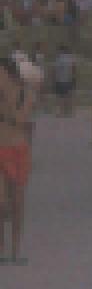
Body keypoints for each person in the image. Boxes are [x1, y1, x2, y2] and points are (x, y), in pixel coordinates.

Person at [0, 57, 35, 264]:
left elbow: (21, 120)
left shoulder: (25, 94)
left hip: (19, 150)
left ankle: (15, 250)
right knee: (1, 202)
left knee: (17, 202)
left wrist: (7, 102)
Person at [52, 43, 77, 116]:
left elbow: (55, 70)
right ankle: (71, 112)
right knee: (70, 96)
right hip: (69, 79)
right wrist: (73, 77)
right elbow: (74, 68)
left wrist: (54, 79)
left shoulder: (58, 59)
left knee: (61, 96)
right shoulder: (71, 58)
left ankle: (62, 112)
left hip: (60, 80)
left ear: (61, 50)